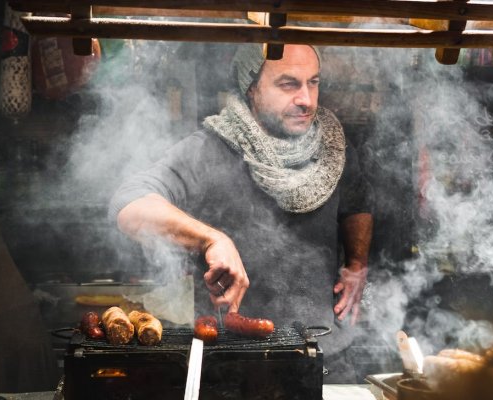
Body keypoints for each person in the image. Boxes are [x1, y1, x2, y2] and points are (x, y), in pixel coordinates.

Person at [108, 44, 373, 383]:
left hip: (327, 353)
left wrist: (357, 262)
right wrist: (211, 239)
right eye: (288, 84)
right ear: (251, 88)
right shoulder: (208, 150)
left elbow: (358, 201)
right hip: (233, 363)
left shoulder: (333, 148)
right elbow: (128, 203)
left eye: (313, 82)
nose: (306, 99)